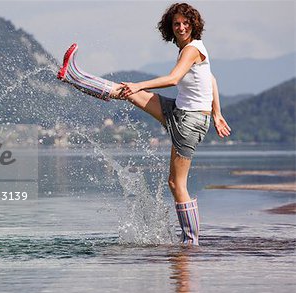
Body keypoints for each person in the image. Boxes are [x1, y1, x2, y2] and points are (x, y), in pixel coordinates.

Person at [57, 3, 231, 245]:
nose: (181, 27)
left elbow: (173, 79)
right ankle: (74, 77)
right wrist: (217, 113)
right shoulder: (190, 49)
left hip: (189, 121)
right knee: (127, 91)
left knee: (176, 183)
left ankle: (191, 243)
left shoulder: (192, 49)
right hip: (180, 111)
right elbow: (210, 78)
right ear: (170, 28)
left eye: (185, 23)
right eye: (176, 24)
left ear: (193, 25)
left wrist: (142, 85)